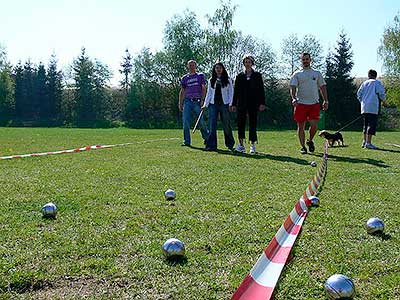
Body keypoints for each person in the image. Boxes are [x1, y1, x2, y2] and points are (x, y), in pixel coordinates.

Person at [290, 52, 328, 154]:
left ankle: (310, 140)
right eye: (303, 59)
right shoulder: (297, 74)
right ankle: (303, 147)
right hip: (300, 104)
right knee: (301, 126)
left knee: (314, 125)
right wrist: (294, 98)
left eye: (307, 59)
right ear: (301, 61)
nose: (305, 61)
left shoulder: (317, 73)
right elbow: (292, 87)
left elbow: (322, 87)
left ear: (310, 60)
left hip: (314, 103)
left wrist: (325, 100)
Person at [231, 55, 265, 154]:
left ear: (252, 63)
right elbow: (236, 91)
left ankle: (252, 145)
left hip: (253, 103)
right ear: (244, 63)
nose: (247, 64)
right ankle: (241, 145)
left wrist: (262, 103)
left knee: (253, 124)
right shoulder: (239, 76)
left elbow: (261, 90)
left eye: (249, 62)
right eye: (246, 62)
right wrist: (233, 103)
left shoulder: (257, 75)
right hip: (241, 103)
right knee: (240, 123)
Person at [202, 62, 235, 151]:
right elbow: (209, 93)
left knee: (226, 124)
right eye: (216, 68)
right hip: (213, 105)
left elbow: (231, 92)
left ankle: (230, 144)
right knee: (212, 125)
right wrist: (205, 104)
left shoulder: (228, 80)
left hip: (225, 104)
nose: (218, 69)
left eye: (220, 68)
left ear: (223, 69)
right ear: (214, 69)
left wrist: (231, 104)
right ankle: (211, 145)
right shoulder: (211, 80)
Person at [178, 60, 209, 146]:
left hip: (197, 101)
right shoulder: (185, 78)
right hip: (187, 102)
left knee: (201, 121)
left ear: (196, 66)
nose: (191, 67)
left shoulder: (200, 76)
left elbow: (204, 88)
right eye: (190, 65)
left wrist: (203, 100)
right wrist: (180, 103)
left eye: (193, 65)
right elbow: (182, 91)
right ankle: (186, 141)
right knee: (185, 122)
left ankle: (207, 139)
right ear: (188, 67)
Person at [357, 69, 386, 149]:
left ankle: (364, 141)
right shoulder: (377, 83)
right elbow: (381, 93)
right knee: (371, 125)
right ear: (375, 76)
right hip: (373, 106)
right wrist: (384, 101)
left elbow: (358, 94)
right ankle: (368, 143)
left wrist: (362, 102)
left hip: (364, 107)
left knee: (365, 124)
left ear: (368, 75)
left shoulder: (364, 83)